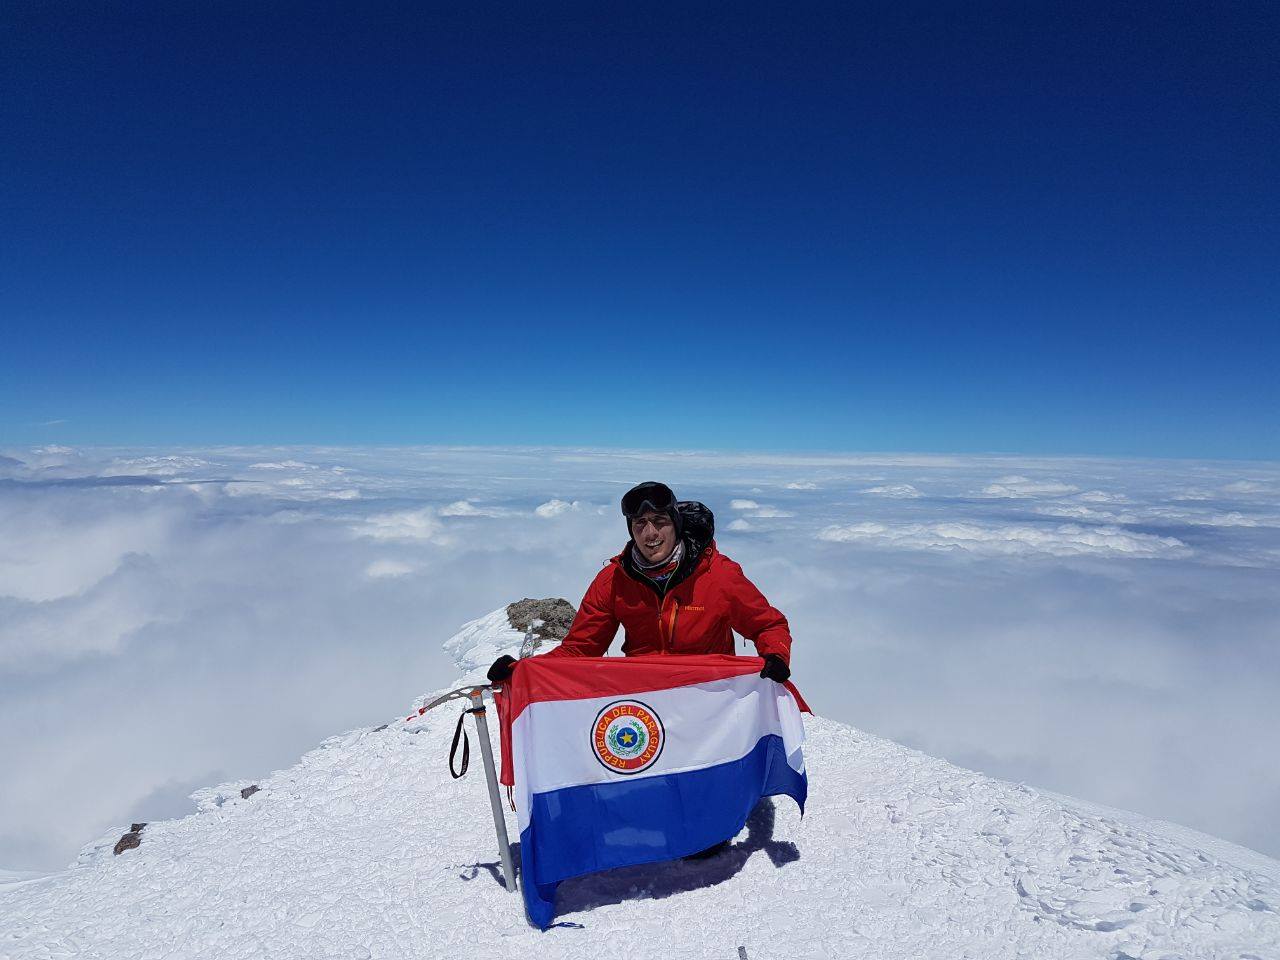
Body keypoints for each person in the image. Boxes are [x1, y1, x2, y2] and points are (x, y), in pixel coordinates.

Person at [488, 480, 793, 684]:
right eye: (640, 524)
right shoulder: (614, 581)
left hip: (712, 696)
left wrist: (775, 655)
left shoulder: (718, 575)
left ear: (675, 524)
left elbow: (768, 626)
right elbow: (580, 650)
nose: (650, 534)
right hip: (645, 700)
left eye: (660, 522)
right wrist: (523, 671)